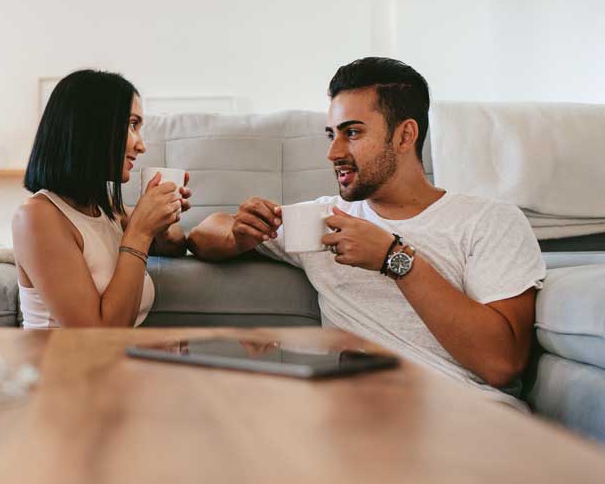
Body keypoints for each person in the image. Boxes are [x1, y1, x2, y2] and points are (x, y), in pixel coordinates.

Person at [187, 57, 545, 406]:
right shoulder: (321, 221)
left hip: (467, 413)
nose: (333, 152)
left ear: (405, 135)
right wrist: (238, 234)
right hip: (359, 417)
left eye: (352, 133)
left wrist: (395, 259)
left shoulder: (490, 221)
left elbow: (501, 363)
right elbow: (201, 235)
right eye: (331, 135)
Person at [12, 70, 191, 328]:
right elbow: (98, 335)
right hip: (62, 366)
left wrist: (161, 221)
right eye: (132, 125)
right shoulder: (37, 217)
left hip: (114, 365)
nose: (142, 145)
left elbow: (175, 244)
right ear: (92, 127)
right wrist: (140, 231)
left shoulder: (105, 209)